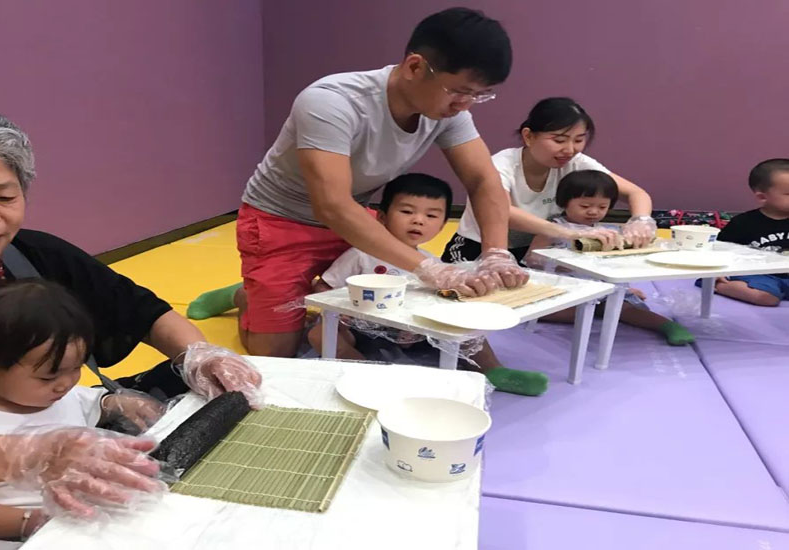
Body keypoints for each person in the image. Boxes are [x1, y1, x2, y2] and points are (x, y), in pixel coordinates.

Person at [0, 96, 263, 550]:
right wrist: (34, 453)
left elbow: (145, 311)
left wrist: (200, 355)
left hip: (57, 443)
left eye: (5, 196)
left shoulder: (36, 255)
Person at [189, 8, 529, 358]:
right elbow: (332, 205)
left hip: (355, 217)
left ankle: (274, 294)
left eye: (479, 95)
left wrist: (496, 254)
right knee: (278, 355)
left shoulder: (447, 112)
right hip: (281, 221)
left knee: (383, 312)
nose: (464, 104)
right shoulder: (332, 101)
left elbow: (483, 180)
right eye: (459, 91)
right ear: (415, 67)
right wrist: (430, 268)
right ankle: (245, 296)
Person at [0, 280, 170, 549]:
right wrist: (32, 521)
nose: (66, 383)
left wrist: (120, 403)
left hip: (68, 518)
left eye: (76, 368)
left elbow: (98, 403)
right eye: (48, 376)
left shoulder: (59, 395)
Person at [308, 174, 548, 396]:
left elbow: (442, 296)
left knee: (466, 327)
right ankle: (366, 372)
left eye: (431, 216)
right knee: (319, 334)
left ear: (443, 225)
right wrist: (343, 313)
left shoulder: (432, 263)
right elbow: (324, 288)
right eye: (406, 211)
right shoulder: (361, 255)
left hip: (416, 330)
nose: (418, 220)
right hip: (364, 330)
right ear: (381, 216)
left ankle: (493, 370)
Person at [443, 97, 656, 264]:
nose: (570, 149)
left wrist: (641, 220)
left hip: (535, 251)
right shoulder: (502, 165)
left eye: (579, 140)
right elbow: (501, 211)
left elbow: (636, 193)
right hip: (477, 250)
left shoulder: (576, 162)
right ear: (528, 136)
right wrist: (569, 231)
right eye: (559, 140)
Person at [527, 171, 695, 346]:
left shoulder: (606, 231)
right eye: (585, 206)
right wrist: (562, 265)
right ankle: (595, 309)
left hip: (601, 287)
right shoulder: (553, 228)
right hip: (566, 287)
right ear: (564, 203)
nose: (593, 212)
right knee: (560, 311)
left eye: (602, 207)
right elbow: (531, 260)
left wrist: (623, 286)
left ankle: (667, 325)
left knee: (626, 308)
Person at [709, 159, 789, 305]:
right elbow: (719, 249)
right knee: (766, 297)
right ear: (762, 197)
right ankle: (717, 285)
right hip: (758, 275)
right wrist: (717, 272)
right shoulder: (743, 222)